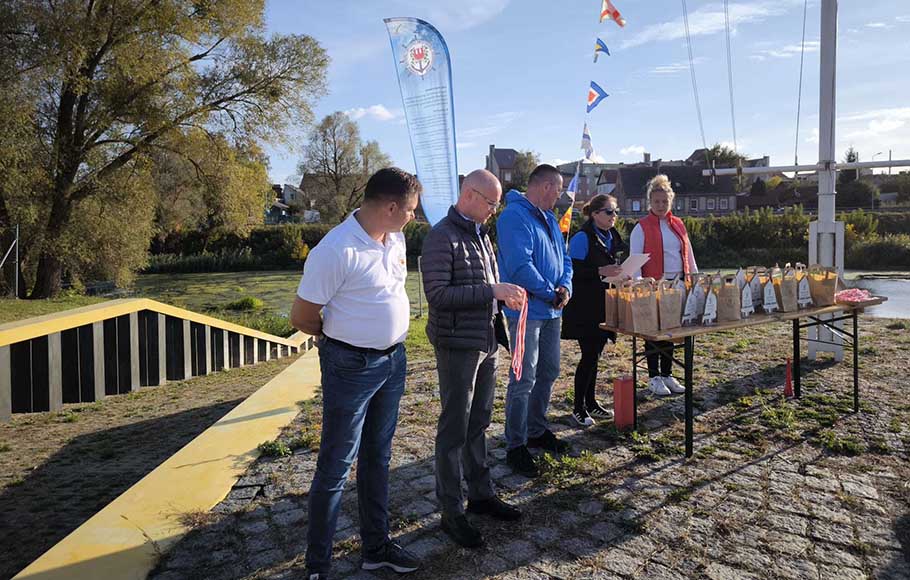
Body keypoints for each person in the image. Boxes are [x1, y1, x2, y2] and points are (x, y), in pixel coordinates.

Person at [290, 167, 422, 579]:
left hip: (393, 361)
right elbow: (302, 316)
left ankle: (376, 548)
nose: (414, 217)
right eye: (411, 210)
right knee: (335, 464)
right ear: (389, 206)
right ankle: (318, 566)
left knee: (377, 458)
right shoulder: (335, 250)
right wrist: (341, 339)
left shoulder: (394, 237)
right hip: (350, 366)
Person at [421, 169, 526, 549]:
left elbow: (484, 288)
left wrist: (502, 295)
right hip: (457, 346)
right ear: (469, 195)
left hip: (486, 342)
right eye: (491, 203)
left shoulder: (482, 236)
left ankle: (481, 494)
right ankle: (451, 510)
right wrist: (491, 291)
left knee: (478, 423)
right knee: (454, 427)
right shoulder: (440, 238)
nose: (494, 211)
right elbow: (438, 296)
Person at [496, 164, 573, 478]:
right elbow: (518, 265)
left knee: (549, 371)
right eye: (559, 188)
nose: (561, 194)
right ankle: (515, 444)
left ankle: (537, 430)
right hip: (526, 311)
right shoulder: (514, 217)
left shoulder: (551, 219)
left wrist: (565, 286)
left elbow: (565, 258)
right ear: (545, 186)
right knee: (523, 377)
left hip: (553, 310)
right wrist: (548, 292)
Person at [561, 194, 628, 426]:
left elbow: (618, 263)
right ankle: (578, 407)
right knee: (588, 356)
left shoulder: (613, 236)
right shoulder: (582, 237)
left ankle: (591, 403)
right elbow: (573, 271)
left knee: (595, 356)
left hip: (605, 304)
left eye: (616, 212)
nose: (614, 216)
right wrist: (601, 271)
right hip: (584, 307)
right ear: (595, 214)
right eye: (609, 212)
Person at [629, 174, 698, 397]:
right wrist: (639, 285)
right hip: (653, 286)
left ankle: (668, 374)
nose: (660, 206)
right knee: (653, 333)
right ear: (650, 202)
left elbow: (688, 253)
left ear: (671, 201)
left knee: (670, 332)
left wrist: (694, 278)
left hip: (677, 285)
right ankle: (654, 377)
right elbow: (635, 258)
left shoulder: (678, 225)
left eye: (664, 202)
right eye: (656, 202)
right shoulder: (641, 227)